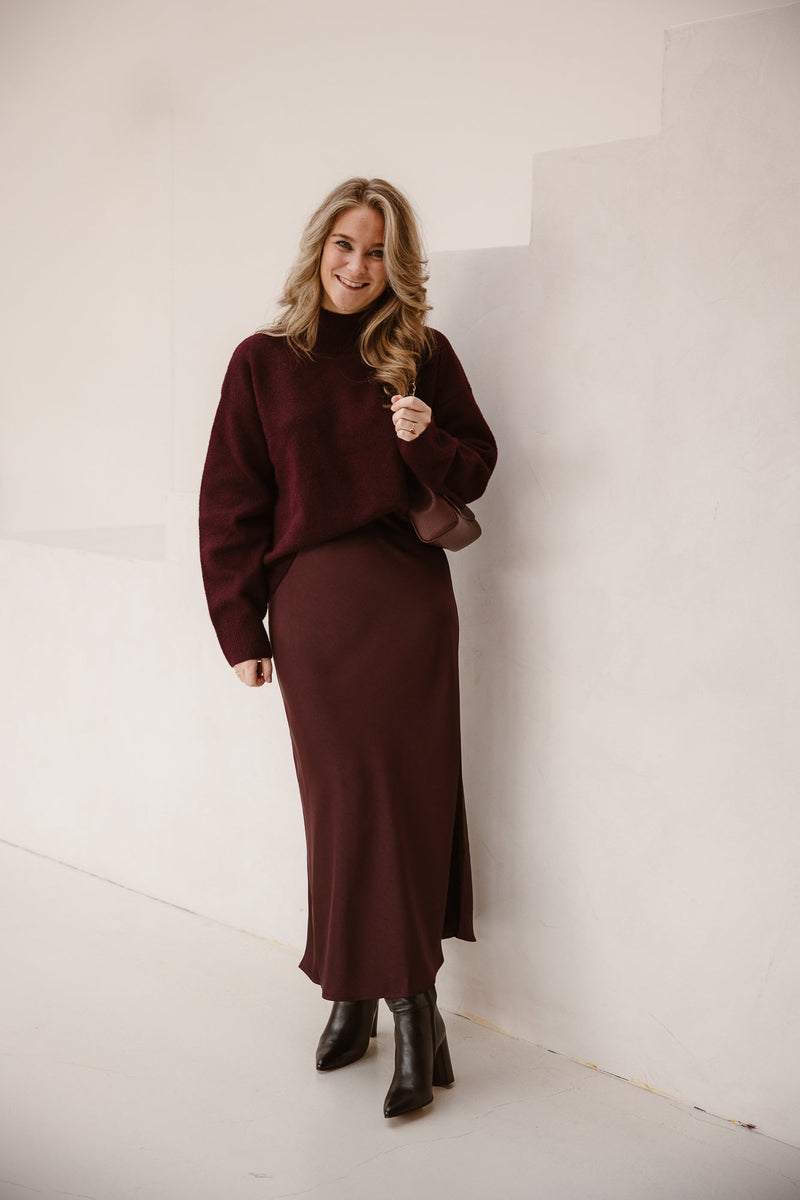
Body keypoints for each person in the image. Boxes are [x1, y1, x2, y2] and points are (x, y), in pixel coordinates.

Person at [198, 177, 497, 1118]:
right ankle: (360, 994)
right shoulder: (262, 361)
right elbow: (231, 499)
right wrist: (239, 624)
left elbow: (477, 471)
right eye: (344, 245)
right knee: (340, 805)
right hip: (316, 611)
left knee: (404, 801)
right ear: (317, 247)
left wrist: (426, 438)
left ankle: (407, 1005)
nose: (357, 266)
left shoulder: (421, 354)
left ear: (396, 265)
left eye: (376, 251)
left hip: (410, 604)